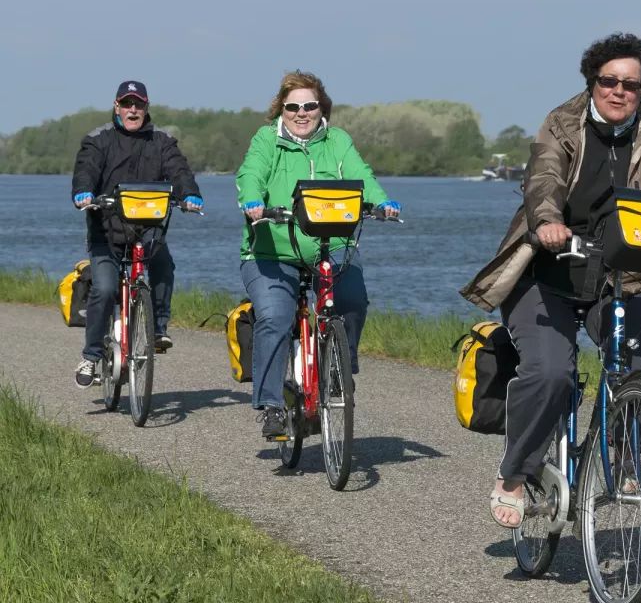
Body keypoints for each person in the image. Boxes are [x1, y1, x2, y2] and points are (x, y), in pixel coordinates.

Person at [461, 32, 641, 528]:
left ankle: (623, 458)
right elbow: (543, 180)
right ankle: (514, 474)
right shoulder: (561, 124)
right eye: (609, 81)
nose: (619, 91)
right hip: (547, 272)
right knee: (552, 372)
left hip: (621, 275)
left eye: (632, 85)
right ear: (592, 80)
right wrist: (548, 221)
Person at [235, 70, 400, 438]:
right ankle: (271, 405)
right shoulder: (267, 140)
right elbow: (251, 174)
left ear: (321, 107)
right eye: (293, 107)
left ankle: (340, 366)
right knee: (276, 317)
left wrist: (380, 201)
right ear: (281, 109)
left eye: (309, 105)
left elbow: (361, 174)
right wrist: (252, 200)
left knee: (353, 297)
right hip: (271, 250)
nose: (301, 113)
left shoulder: (337, 140)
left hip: (332, 243)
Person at [71, 80, 203, 388]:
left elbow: (179, 170)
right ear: (116, 106)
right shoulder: (99, 139)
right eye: (127, 104)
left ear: (146, 107)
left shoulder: (162, 141)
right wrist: (84, 192)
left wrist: (190, 194)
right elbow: (86, 169)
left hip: (148, 231)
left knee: (164, 265)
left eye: (139, 104)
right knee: (103, 289)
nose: (133, 110)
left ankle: (157, 328)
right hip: (107, 231)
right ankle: (91, 356)